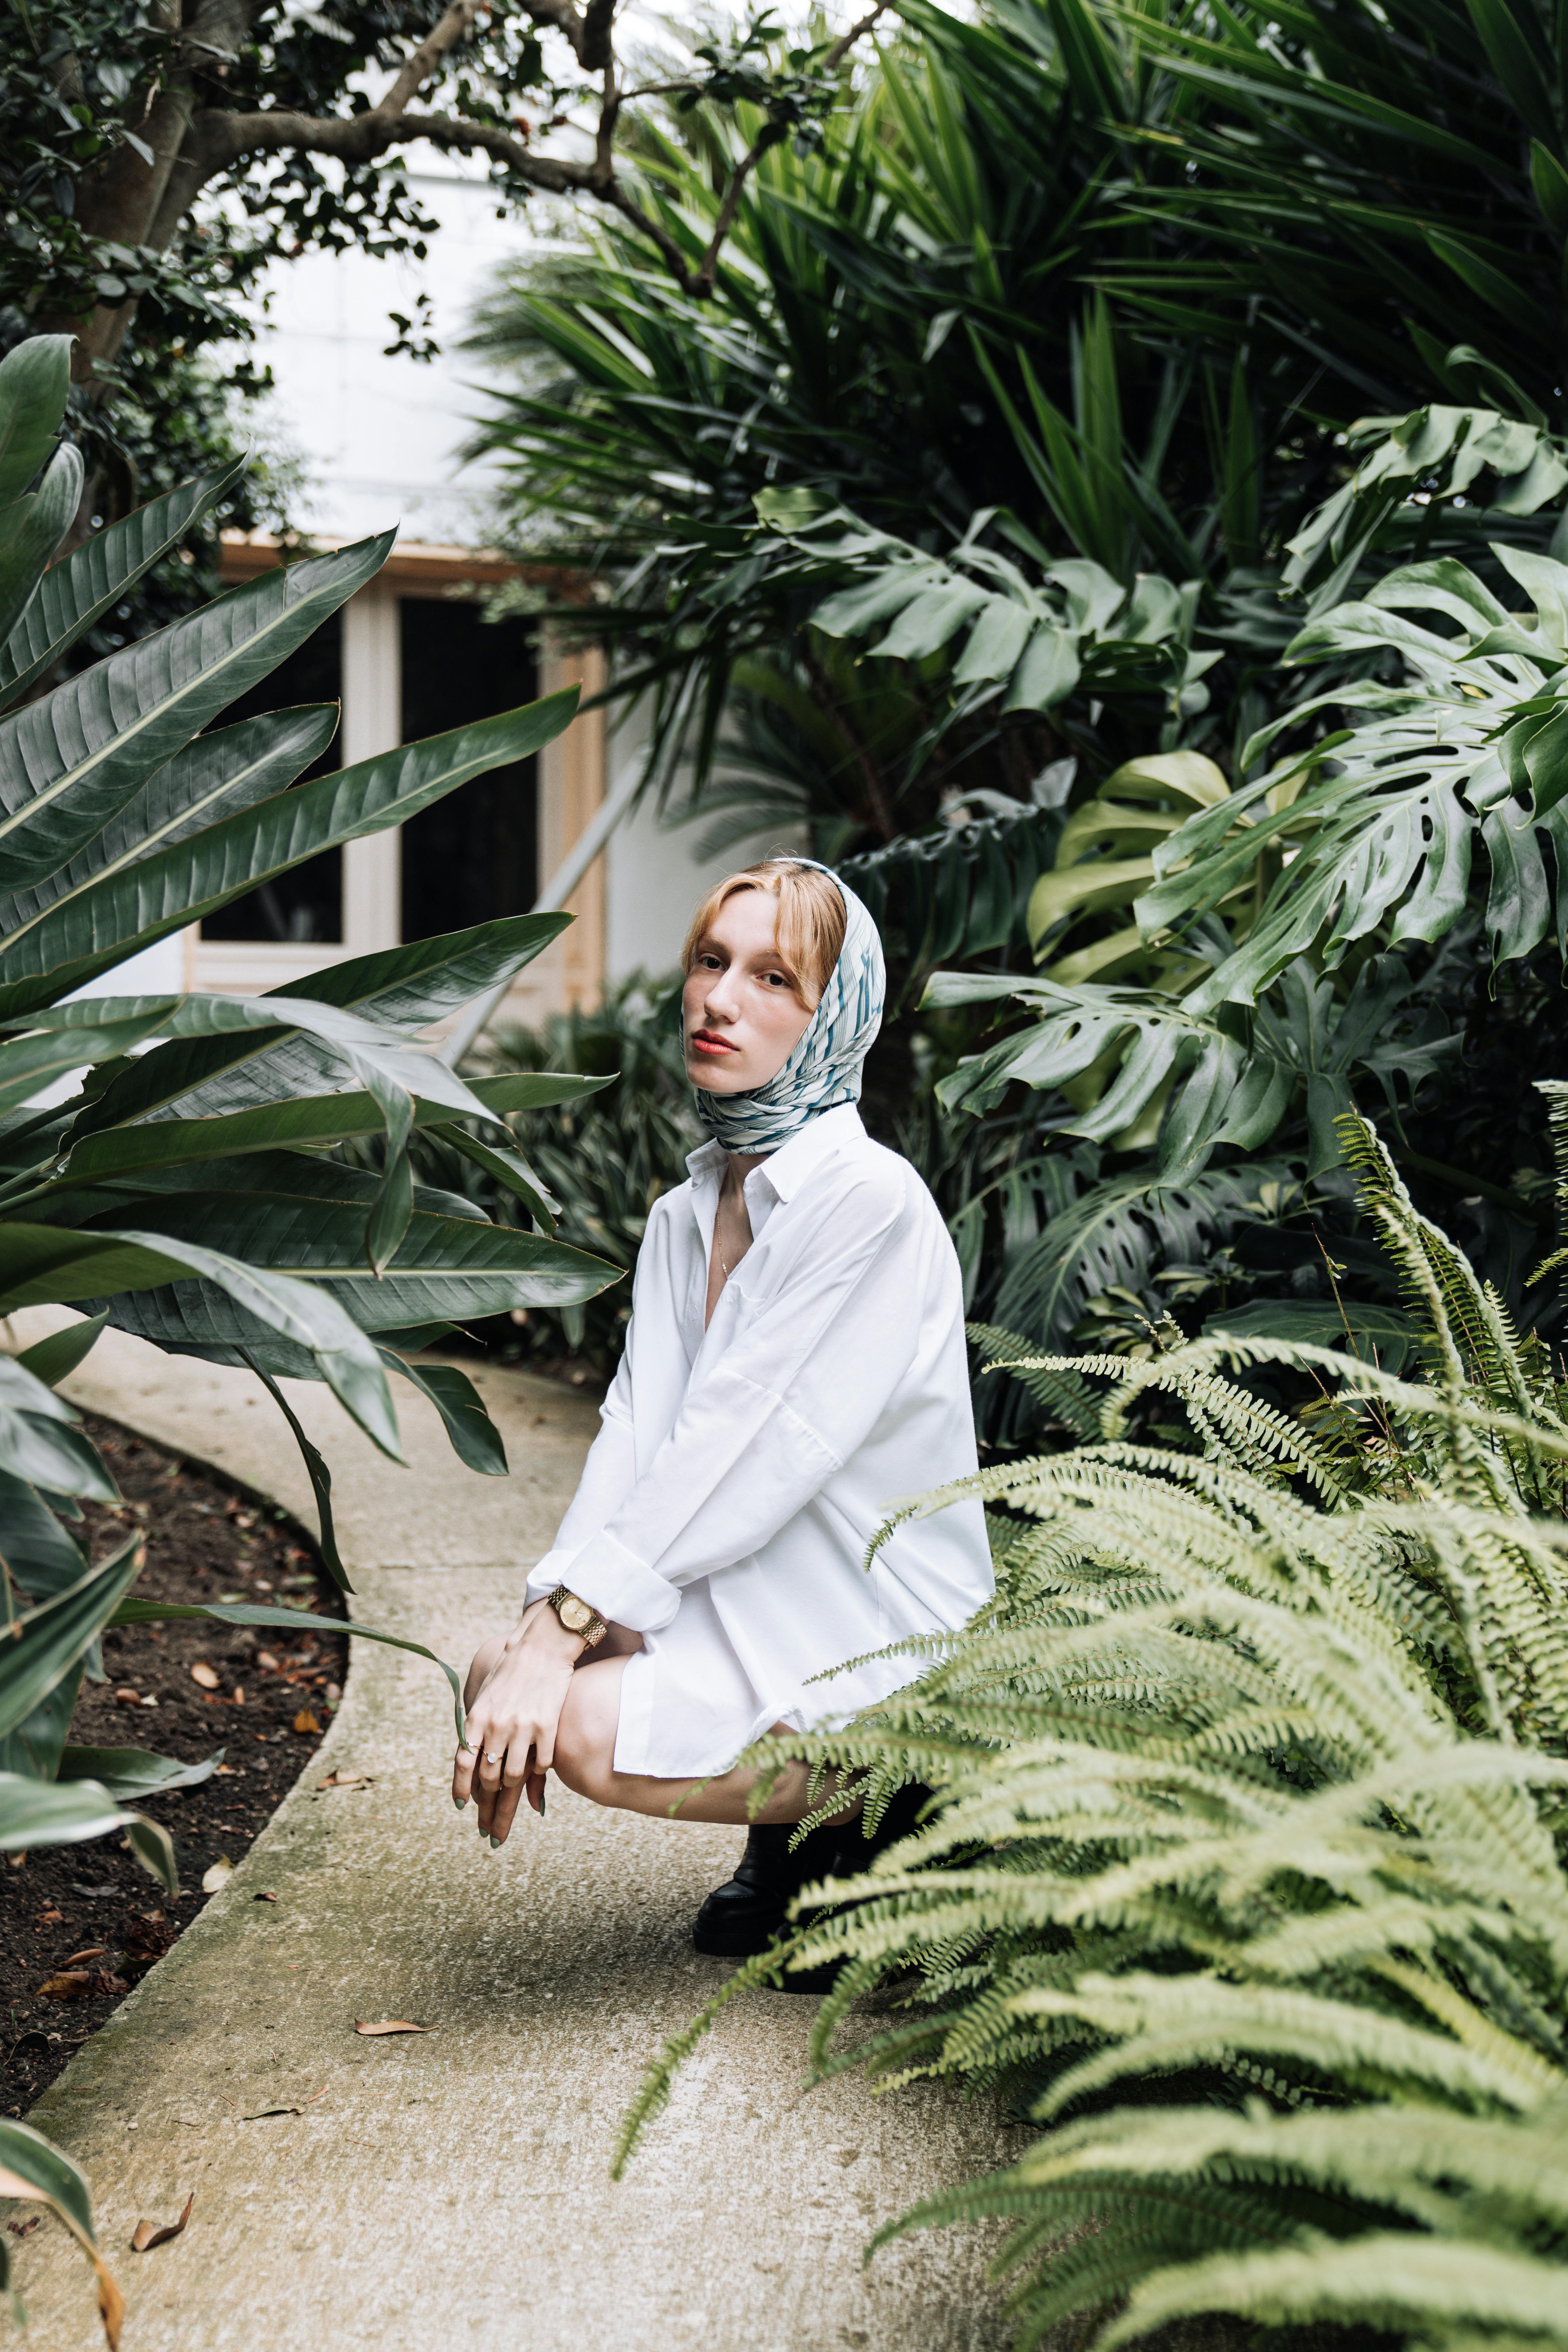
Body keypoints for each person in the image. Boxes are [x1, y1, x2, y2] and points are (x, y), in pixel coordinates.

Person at [453, 856, 993, 1965]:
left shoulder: (868, 1203)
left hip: (861, 1630)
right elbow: (640, 1433)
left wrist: (565, 1643)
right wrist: (550, 1617)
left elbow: (745, 1449)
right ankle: (784, 1834)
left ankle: (876, 1817)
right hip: (752, 1598)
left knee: (573, 1724)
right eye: (711, 961)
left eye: (772, 977)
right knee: (493, 1669)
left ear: (834, 1013)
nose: (719, 997)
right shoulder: (684, 1212)